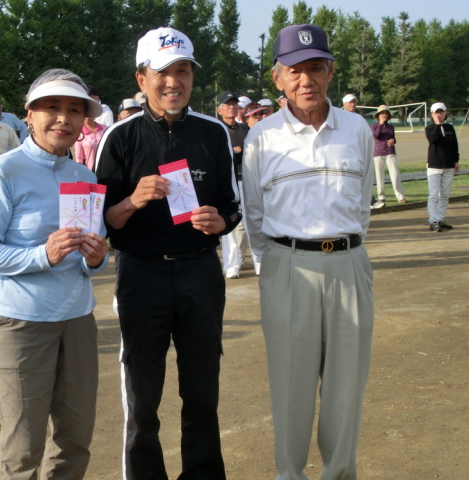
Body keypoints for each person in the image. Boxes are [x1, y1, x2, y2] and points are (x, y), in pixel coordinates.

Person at [96, 26, 241, 480]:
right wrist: (132, 201)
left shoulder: (213, 132)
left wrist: (220, 222)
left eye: (183, 71)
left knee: (202, 392)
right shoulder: (118, 137)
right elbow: (103, 222)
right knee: (142, 398)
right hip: (141, 277)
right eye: (162, 72)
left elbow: (232, 205)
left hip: (201, 274)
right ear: (142, 79)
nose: (173, 82)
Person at [242, 24, 375, 480]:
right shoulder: (261, 137)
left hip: (349, 264)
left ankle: (339, 474)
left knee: (346, 388)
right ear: (277, 77)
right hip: (286, 267)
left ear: (330, 71)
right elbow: (254, 214)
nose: (306, 80)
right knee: (290, 387)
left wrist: (345, 250)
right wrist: (275, 267)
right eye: (295, 70)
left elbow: (362, 206)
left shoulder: (356, 128)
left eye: (315, 68)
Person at [0, 68, 109, 480]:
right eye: (52, 107)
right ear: (29, 115)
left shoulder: (84, 176)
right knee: (22, 448)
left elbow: (89, 256)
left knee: (75, 440)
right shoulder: (4, 171)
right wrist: (41, 255)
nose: (63, 118)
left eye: (74, 110)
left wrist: (96, 257)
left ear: (84, 120)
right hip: (20, 324)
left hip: (77, 321)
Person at [217, 91, 250, 279]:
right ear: (219, 109)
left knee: (249, 223)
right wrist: (235, 150)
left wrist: (239, 150)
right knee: (229, 224)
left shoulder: (244, 128)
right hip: (228, 181)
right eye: (228, 105)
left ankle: (255, 261)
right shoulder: (217, 129)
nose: (232, 107)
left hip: (247, 178)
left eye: (234, 104)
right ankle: (231, 266)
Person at [425, 102, 460, 232]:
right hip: (434, 165)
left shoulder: (450, 128)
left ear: (445, 113)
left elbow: (454, 145)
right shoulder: (429, 128)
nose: (439, 115)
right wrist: (437, 125)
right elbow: (433, 139)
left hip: (449, 165)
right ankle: (433, 221)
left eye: (441, 112)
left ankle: (440, 219)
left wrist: (456, 160)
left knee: (444, 195)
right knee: (434, 195)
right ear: (432, 114)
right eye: (436, 112)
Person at [370, 105, 407, 205]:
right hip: (378, 152)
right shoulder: (374, 126)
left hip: (390, 151)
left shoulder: (391, 127)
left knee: (395, 174)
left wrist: (393, 140)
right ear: (378, 115)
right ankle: (381, 196)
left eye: (386, 113)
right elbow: (375, 136)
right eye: (382, 113)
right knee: (379, 176)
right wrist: (381, 124)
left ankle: (400, 196)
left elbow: (393, 137)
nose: (384, 115)